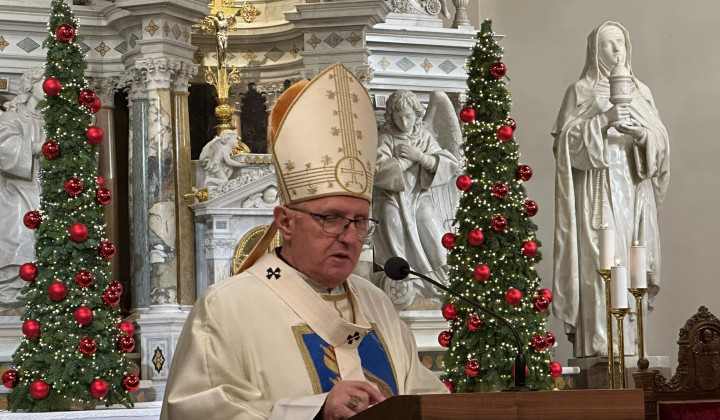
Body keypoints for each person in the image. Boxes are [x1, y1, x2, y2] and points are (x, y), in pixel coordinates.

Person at [161, 63, 447, 420]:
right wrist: (315, 412)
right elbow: (196, 411)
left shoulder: (377, 304)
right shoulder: (227, 307)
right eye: (331, 219)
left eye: (359, 221)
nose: (349, 236)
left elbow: (423, 399)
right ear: (285, 222)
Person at [551, 22, 670, 358]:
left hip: (632, 188)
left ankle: (633, 343)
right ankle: (600, 343)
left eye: (620, 44)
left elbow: (660, 144)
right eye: (608, 45)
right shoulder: (580, 92)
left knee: (633, 262)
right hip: (597, 190)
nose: (616, 52)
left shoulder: (641, 92)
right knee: (599, 262)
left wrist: (643, 135)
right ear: (594, 51)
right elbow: (565, 146)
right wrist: (602, 122)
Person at [372, 90, 458, 309]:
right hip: (390, 198)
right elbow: (377, 172)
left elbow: (449, 165)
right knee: (394, 226)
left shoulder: (423, 136)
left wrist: (421, 157)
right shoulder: (386, 137)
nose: (404, 121)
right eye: (399, 117)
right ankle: (405, 279)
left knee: (432, 232)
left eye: (409, 116)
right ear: (391, 116)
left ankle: (438, 280)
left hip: (420, 198)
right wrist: (402, 163)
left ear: (417, 114)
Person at [0, 67, 45, 314]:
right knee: (20, 238)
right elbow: (3, 148)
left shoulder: (53, 119)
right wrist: (37, 147)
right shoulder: (13, 116)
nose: (50, 87)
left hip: (45, 189)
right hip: (17, 190)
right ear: (31, 84)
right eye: (44, 81)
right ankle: (13, 296)